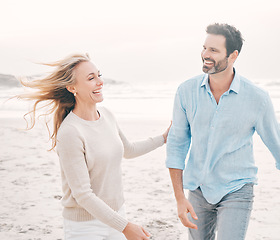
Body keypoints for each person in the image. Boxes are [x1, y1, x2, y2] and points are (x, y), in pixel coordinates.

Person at [18, 53, 170, 240]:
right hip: (85, 227)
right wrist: (126, 227)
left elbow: (128, 150)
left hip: (117, 215)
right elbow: (82, 194)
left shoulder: (107, 115)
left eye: (99, 75)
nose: (100, 82)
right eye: (91, 78)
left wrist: (163, 138)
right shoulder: (70, 132)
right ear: (72, 87)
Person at [166, 23, 280, 240]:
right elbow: (177, 145)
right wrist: (180, 198)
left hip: (237, 188)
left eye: (214, 51)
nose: (205, 55)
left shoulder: (257, 99)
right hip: (198, 188)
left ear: (233, 55)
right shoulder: (185, 92)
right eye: (205, 48)